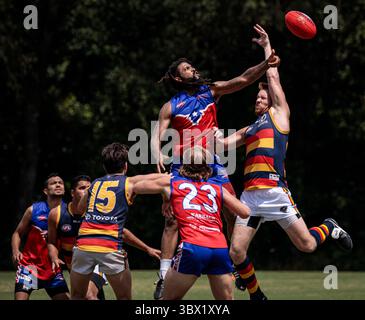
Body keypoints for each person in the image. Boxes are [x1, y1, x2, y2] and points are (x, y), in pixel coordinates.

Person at [222, 25, 353, 291]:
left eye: (261, 97)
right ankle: (257, 296)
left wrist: (266, 46)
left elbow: (272, 76)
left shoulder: (279, 115)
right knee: (236, 252)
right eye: (256, 98)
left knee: (307, 245)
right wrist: (202, 128)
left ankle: (329, 226)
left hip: (276, 192)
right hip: (250, 197)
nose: (258, 101)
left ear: (271, 101)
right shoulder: (249, 129)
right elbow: (221, 144)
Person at [150, 32, 280, 299]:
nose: (193, 69)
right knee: (172, 221)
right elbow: (156, 135)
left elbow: (243, 79)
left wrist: (266, 64)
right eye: (187, 68)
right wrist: (156, 155)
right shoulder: (170, 106)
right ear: (177, 77)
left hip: (212, 164)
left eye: (192, 66)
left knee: (233, 213)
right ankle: (164, 275)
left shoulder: (211, 91)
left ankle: (235, 267)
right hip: (183, 165)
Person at [132, 146, 251, 300]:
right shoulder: (217, 188)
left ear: (183, 165)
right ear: (208, 167)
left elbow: (138, 186)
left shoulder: (173, 182)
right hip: (219, 249)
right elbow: (245, 212)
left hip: (193, 247)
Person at [70, 143, 165, 300]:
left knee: (77, 296)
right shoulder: (130, 182)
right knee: (123, 297)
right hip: (109, 246)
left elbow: (79, 209)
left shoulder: (94, 184)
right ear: (126, 166)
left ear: (104, 166)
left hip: (84, 244)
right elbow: (152, 180)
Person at [47, 175, 161, 300]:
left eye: (89, 188)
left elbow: (121, 232)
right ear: (72, 193)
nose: (86, 191)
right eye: (82, 188)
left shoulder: (95, 211)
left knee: (89, 295)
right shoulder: (57, 214)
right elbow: (51, 241)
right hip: (77, 261)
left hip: (98, 257)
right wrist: (54, 257)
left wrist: (147, 249)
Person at [11, 174, 70, 300]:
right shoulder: (34, 210)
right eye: (53, 183)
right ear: (45, 191)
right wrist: (16, 251)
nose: (58, 184)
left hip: (53, 268)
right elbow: (17, 233)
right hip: (30, 267)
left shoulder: (68, 212)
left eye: (61, 182)